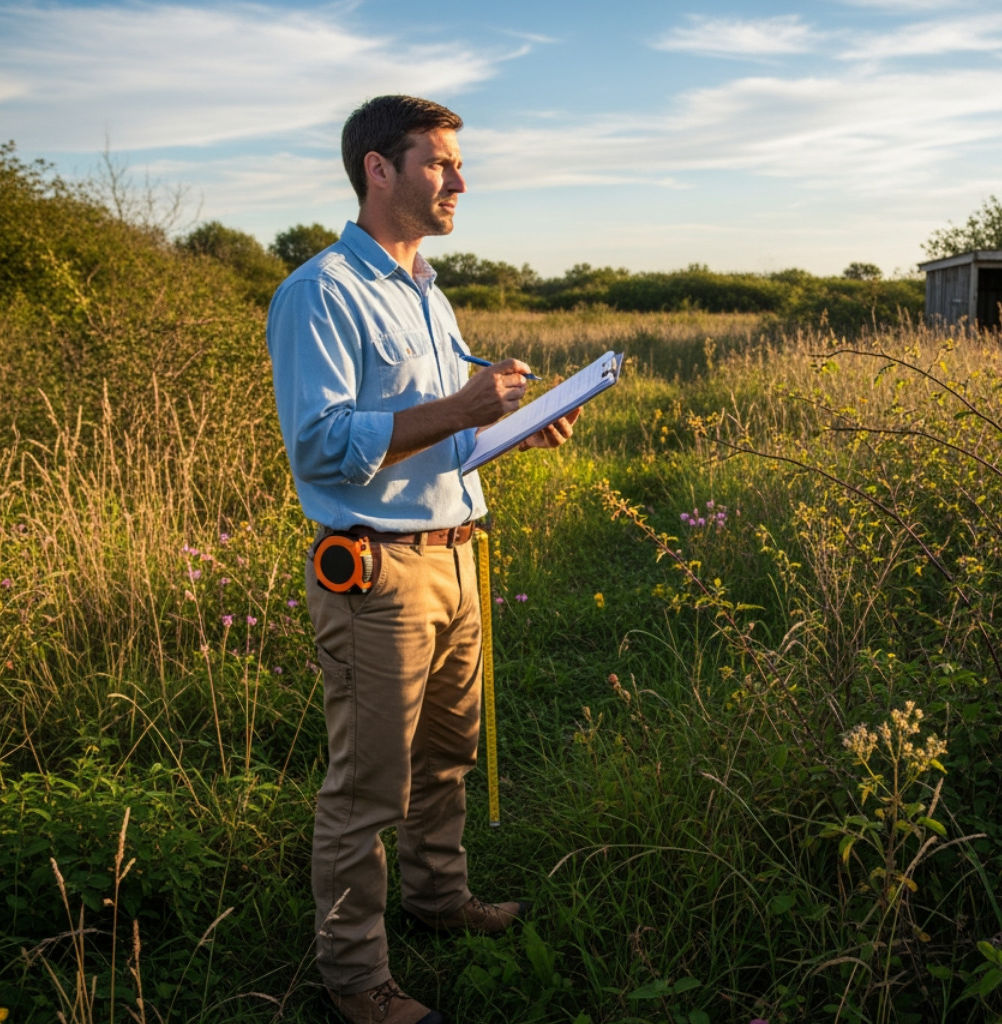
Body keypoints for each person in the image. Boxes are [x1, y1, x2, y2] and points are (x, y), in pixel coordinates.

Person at [266, 94, 579, 1024]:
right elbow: (320, 445)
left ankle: (438, 898)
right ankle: (356, 978)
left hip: (456, 556)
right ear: (379, 169)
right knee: (367, 790)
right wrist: (465, 408)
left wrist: (512, 424)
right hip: (377, 574)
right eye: (440, 163)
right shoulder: (319, 292)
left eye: (455, 164)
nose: (459, 181)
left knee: (448, 757)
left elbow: (436, 422)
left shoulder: (425, 288)